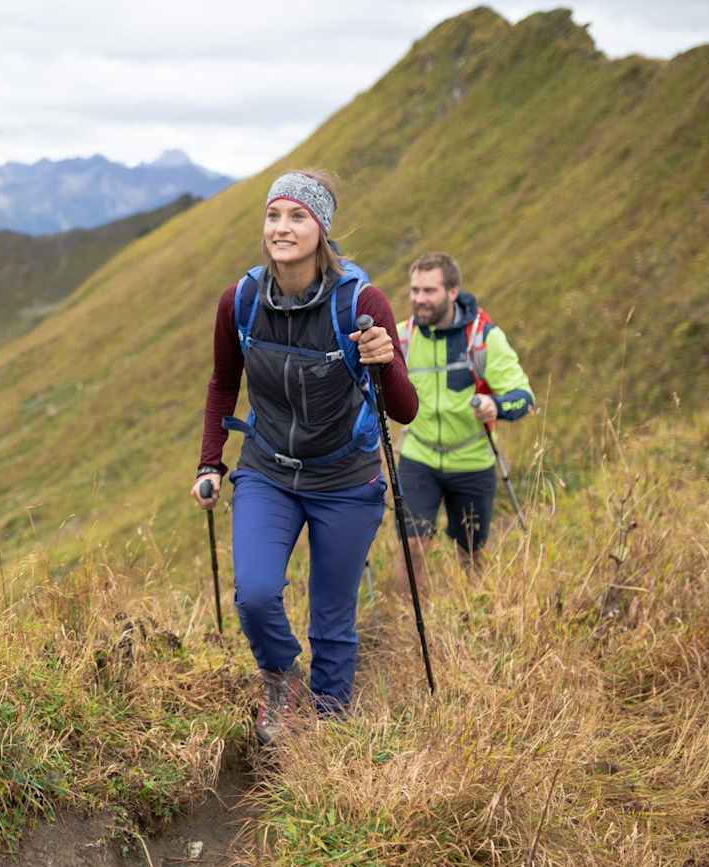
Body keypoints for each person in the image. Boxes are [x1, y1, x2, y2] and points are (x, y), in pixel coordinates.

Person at [191, 170, 417, 745]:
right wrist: (210, 462)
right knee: (257, 592)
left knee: (332, 617)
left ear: (322, 228)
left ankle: (330, 729)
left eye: (297, 217)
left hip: (346, 479)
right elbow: (223, 382)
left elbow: (405, 409)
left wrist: (386, 360)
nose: (282, 228)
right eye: (274, 215)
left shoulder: (362, 303)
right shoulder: (240, 300)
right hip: (268, 470)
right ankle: (283, 680)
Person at [396, 252, 534, 581]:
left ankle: (473, 618)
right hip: (419, 457)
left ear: (452, 291)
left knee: (470, 551)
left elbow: (524, 398)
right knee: (412, 546)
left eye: (429, 291)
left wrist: (495, 407)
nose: (419, 299)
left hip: (472, 461)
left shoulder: (485, 339)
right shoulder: (402, 337)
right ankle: (411, 629)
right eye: (415, 291)